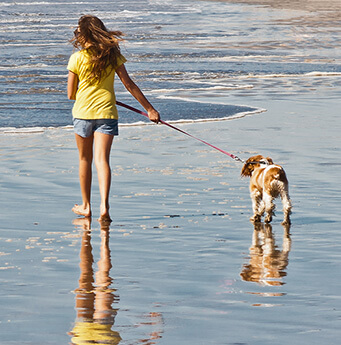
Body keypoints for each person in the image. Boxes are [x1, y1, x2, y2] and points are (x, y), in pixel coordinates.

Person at [67, 15, 160, 221]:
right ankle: (104, 207)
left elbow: (70, 94)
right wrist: (150, 109)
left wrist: (86, 91)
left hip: (83, 114)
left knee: (85, 159)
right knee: (102, 160)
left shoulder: (76, 58)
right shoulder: (112, 56)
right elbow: (130, 84)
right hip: (107, 113)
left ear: (83, 34)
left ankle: (85, 206)